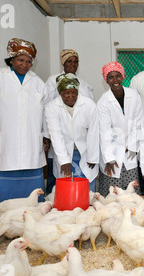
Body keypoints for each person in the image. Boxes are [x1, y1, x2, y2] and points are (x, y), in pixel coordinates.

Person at [0, 38, 48, 203]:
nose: (24, 65)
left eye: (28, 62)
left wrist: (46, 134)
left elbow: (45, 112)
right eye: (20, 60)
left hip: (31, 142)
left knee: (31, 198)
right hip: (2, 140)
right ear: (11, 58)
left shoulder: (38, 83)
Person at [44, 49, 95, 194]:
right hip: (62, 139)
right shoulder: (52, 85)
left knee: (85, 181)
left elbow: (93, 128)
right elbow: (55, 130)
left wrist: (93, 154)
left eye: (75, 61)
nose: (70, 96)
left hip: (82, 140)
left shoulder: (84, 85)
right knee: (63, 181)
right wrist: (46, 135)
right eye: (69, 61)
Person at [97, 62, 143, 196]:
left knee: (131, 191)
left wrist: (133, 144)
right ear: (106, 80)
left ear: (123, 76)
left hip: (130, 149)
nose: (115, 80)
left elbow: (138, 122)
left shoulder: (133, 95)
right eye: (111, 77)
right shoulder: (104, 101)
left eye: (118, 76)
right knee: (112, 193)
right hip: (112, 151)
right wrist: (109, 158)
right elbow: (104, 131)